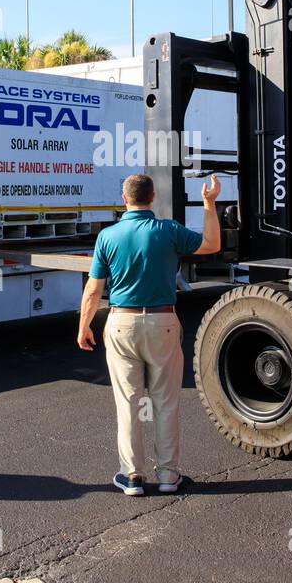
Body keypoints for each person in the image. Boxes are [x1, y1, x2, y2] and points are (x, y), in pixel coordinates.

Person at [77, 172, 221, 496]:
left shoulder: (108, 237)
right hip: (163, 323)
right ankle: (169, 476)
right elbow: (213, 244)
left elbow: (93, 289)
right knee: (166, 403)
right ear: (152, 198)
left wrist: (84, 325)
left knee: (128, 403)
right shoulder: (168, 231)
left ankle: (132, 477)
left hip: (121, 323)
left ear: (124, 199)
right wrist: (208, 203)